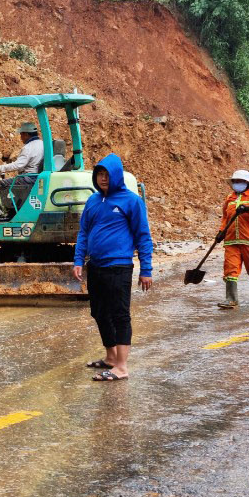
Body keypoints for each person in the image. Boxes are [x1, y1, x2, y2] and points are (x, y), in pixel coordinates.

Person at [73, 153, 154, 381]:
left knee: (119, 314)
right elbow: (83, 232)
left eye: (107, 174)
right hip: (96, 266)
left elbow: (143, 236)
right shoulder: (93, 201)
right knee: (99, 312)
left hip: (119, 267)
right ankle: (110, 357)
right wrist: (78, 260)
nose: (103, 179)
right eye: (100, 174)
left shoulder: (131, 201)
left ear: (116, 176)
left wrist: (146, 269)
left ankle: (121, 367)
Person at [217, 169, 249, 309]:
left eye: (240, 181)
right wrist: (221, 232)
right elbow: (226, 218)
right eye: (235, 181)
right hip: (231, 240)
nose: (237, 183)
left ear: (247, 183)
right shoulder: (230, 198)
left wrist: (248, 208)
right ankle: (231, 299)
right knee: (230, 269)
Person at [0, 122, 44, 220]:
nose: (21, 137)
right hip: (37, 177)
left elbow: (18, 165)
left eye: (21, 135)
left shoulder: (28, 148)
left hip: (28, 178)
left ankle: (11, 214)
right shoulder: (43, 144)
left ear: (26, 134)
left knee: (3, 184)